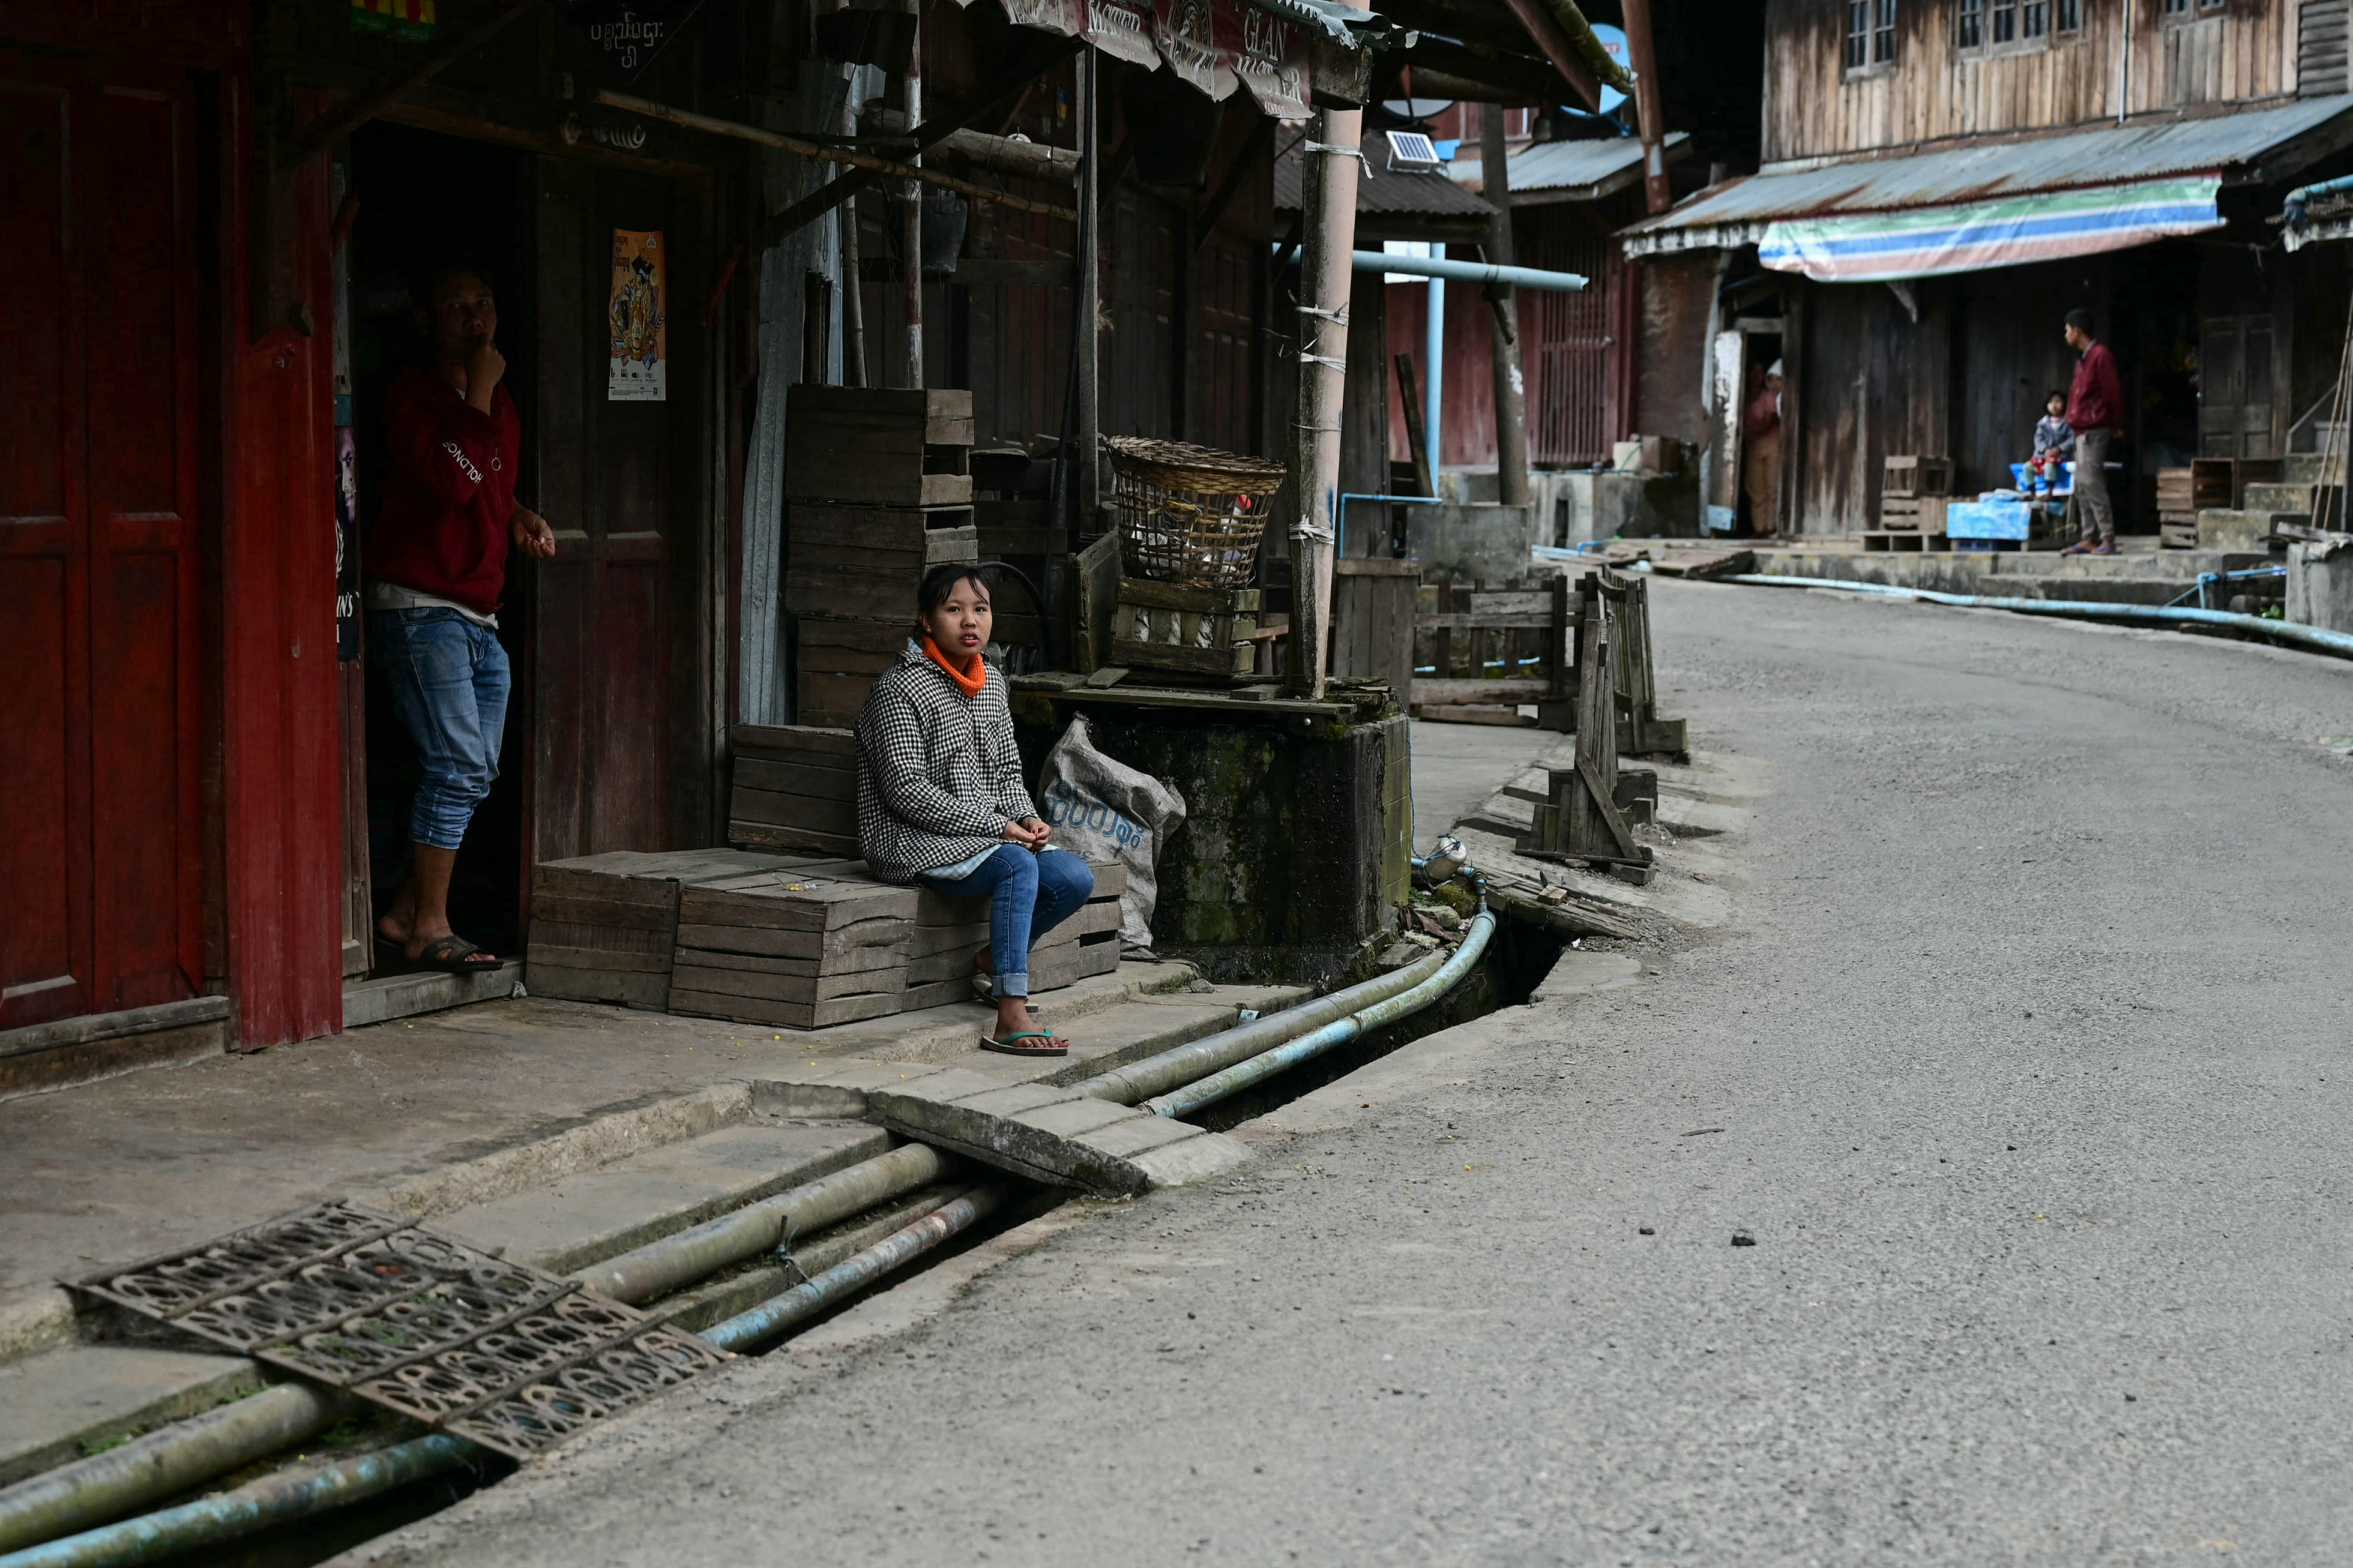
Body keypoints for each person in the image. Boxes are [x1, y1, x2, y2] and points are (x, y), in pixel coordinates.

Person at [366, 265, 558, 972]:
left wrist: (517, 514)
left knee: (475, 770)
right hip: (420, 610)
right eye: (456, 307)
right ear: (428, 322)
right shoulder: (414, 397)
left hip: (477, 614)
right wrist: (475, 391)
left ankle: (404, 912)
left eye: (484, 303)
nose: (475, 319)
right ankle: (430, 927)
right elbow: (450, 478)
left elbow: (486, 484)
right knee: (454, 766)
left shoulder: (496, 404)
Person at [857, 564, 1096, 1057]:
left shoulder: (991, 684)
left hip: (984, 837)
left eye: (981, 609)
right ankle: (1012, 1010)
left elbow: (1007, 771)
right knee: (1017, 862)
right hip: (910, 842)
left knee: (1074, 876)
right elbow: (906, 791)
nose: (970, 620)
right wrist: (998, 827)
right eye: (954, 608)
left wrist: (1026, 818)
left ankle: (993, 958)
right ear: (926, 620)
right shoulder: (898, 691)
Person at [2059, 309, 2124, 555]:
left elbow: (2112, 393)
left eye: (2067, 330)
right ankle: (2088, 537)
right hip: (2081, 429)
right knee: (2082, 485)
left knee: (2092, 482)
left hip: (2096, 428)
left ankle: (2107, 538)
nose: (2066, 335)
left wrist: (2116, 422)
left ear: (2078, 330)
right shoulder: (2083, 359)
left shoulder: (2100, 355)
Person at [1743, 359, 1783, 538]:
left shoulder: (1768, 397)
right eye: (1753, 373)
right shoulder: (1743, 396)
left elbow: (1770, 420)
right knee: (1756, 489)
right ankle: (1759, 528)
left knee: (1772, 487)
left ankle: (1771, 527)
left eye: (1760, 373)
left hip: (1771, 443)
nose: (1756, 377)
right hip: (1753, 446)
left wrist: (1752, 432)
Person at [2028, 388, 2074, 490]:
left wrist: (2060, 449)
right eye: (2051, 402)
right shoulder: (2043, 424)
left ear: (2065, 404)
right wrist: (2045, 449)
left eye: (2058, 401)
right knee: (2028, 467)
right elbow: (2038, 439)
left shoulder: (2068, 423)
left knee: (2049, 465)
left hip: (2060, 457)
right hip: (2042, 456)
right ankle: (2032, 493)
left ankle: (2050, 492)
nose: (2054, 405)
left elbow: (2072, 439)